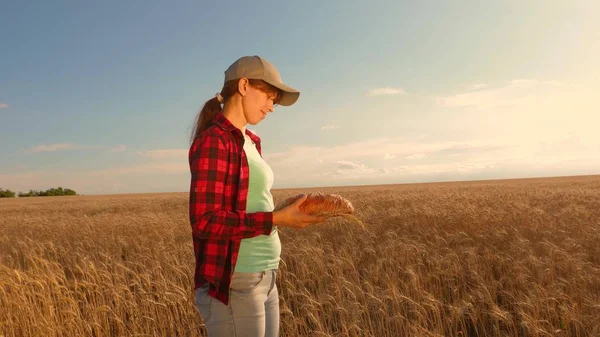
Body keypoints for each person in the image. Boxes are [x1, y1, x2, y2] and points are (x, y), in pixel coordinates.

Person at [188, 55, 329, 337]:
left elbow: (247, 204)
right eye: (269, 96)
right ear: (243, 86)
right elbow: (205, 221)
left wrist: (287, 209)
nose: (271, 107)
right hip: (235, 281)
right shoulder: (214, 140)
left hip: (266, 275)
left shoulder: (251, 141)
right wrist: (277, 218)